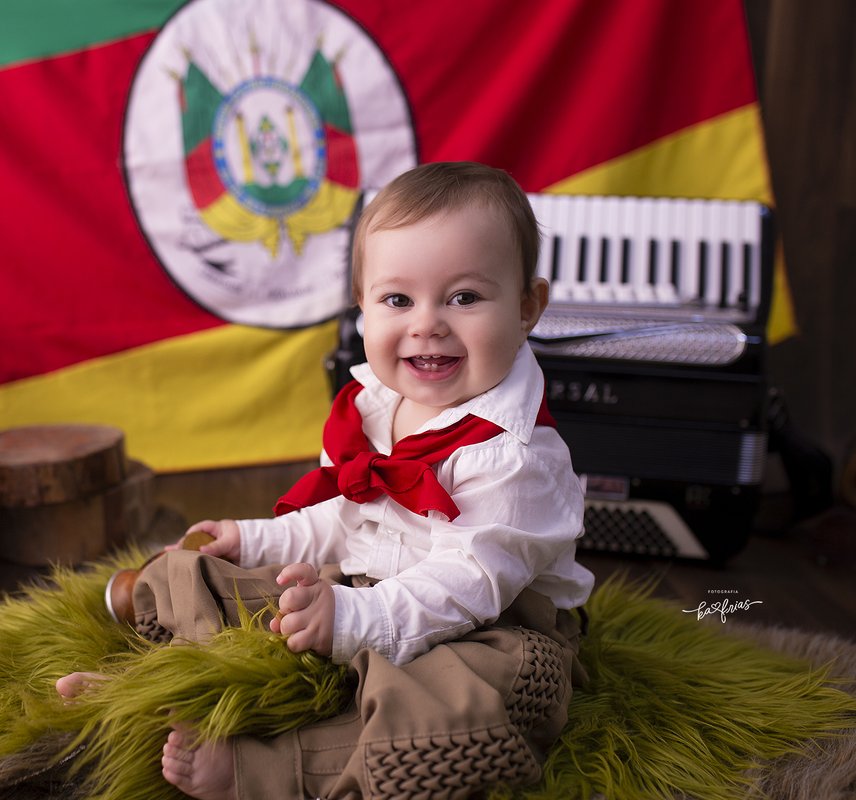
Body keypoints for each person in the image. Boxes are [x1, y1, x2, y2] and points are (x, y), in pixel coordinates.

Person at [58, 162, 595, 800]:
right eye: (398, 300)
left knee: (481, 701)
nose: (428, 323)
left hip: (495, 621)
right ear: (362, 309)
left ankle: (261, 768)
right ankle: (148, 686)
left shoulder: (516, 457)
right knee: (252, 590)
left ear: (529, 306)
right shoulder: (372, 406)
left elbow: (465, 587)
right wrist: (256, 540)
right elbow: (342, 515)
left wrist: (353, 617)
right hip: (369, 588)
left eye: (465, 297)